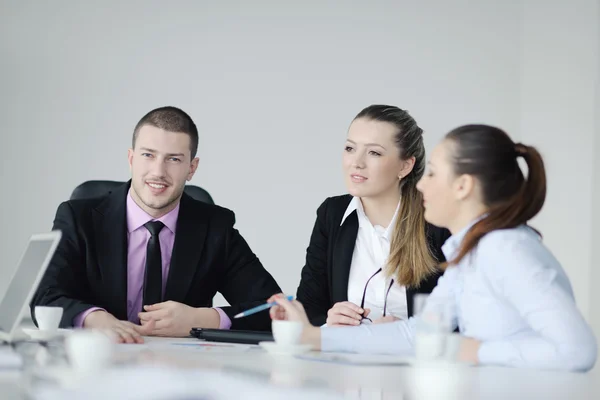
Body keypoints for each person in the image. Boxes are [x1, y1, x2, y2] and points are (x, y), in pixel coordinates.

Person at [270, 124, 597, 372]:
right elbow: (420, 334)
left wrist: (473, 351)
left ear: (463, 186)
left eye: (433, 174)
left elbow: (577, 350)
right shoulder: (469, 251)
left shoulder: (505, 248)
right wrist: (314, 337)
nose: (421, 184)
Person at [31, 106, 282, 343]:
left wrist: (201, 319)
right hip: (96, 362)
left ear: (191, 168)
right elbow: (43, 297)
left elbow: (273, 308)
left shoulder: (215, 227)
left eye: (173, 159)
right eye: (148, 155)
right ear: (131, 159)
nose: (158, 171)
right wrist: (93, 318)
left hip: (182, 370)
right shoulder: (78, 217)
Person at [295, 105, 450, 327]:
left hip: (415, 359)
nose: (356, 162)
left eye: (374, 152)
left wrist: (407, 331)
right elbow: (309, 307)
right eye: (350, 148)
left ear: (405, 166)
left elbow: (465, 318)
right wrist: (329, 322)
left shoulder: (437, 219)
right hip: (345, 358)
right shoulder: (332, 213)